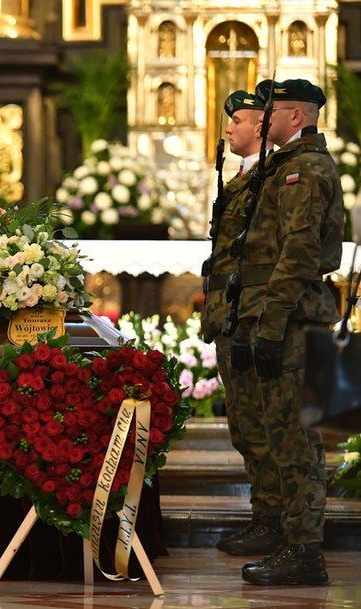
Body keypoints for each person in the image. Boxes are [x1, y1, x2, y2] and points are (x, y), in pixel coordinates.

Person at [229, 78, 342, 586]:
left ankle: (304, 552)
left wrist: (271, 326)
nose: (264, 116)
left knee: (296, 440)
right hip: (274, 315)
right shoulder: (284, 167)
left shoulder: (307, 170)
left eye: (273, 109)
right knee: (276, 433)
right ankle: (288, 540)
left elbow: (296, 255)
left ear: (296, 116)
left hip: (293, 319)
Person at [203, 90, 283, 558]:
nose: (227, 128)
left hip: (253, 316)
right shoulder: (242, 178)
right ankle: (263, 516)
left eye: (236, 120)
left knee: (260, 425)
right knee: (245, 426)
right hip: (233, 316)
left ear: (260, 127)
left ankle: (271, 520)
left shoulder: (271, 179)